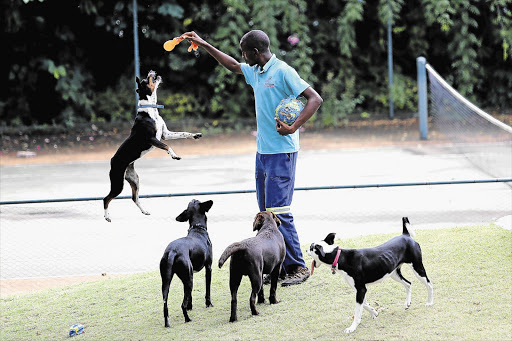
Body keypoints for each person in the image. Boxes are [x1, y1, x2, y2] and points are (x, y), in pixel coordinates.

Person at [182, 30, 323, 286]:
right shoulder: (256, 71)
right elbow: (233, 65)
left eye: (244, 51)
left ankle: (298, 267)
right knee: (265, 214)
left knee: (279, 213)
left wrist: (293, 127)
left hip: (282, 152)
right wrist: (203, 44)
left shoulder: (282, 71)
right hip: (263, 154)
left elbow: (315, 98)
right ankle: (277, 268)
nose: (242, 56)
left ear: (256, 52)